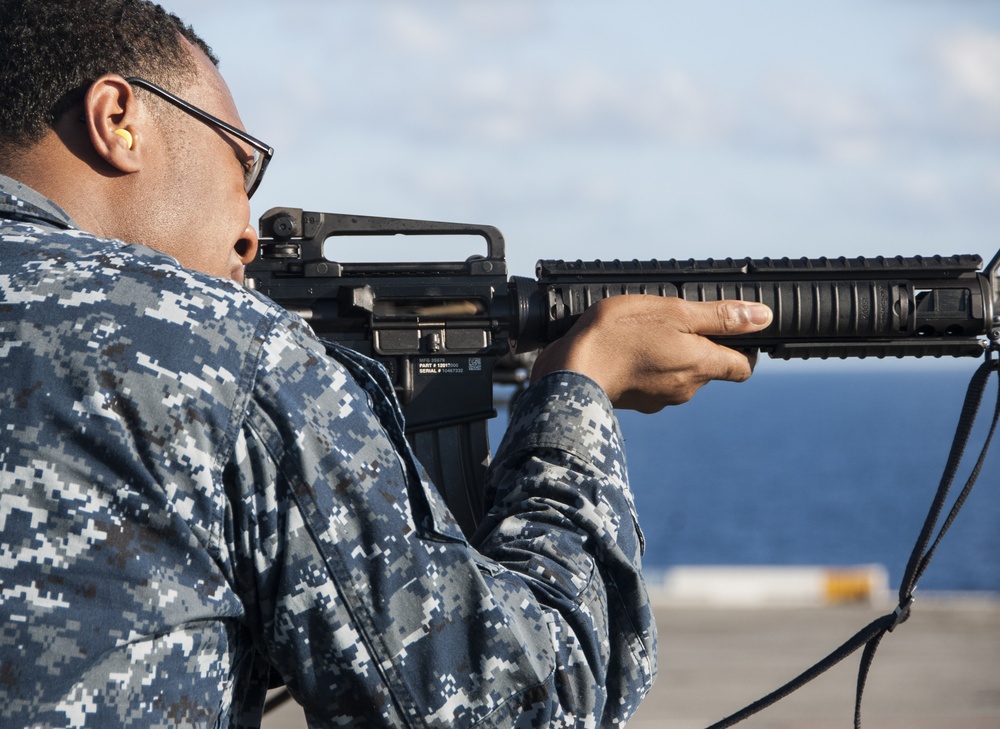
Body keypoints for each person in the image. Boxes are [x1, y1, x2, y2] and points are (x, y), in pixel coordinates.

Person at [0, 1, 772, 727]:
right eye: (244, 163)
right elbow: (519, 698)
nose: (249, 235)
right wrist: (578, 393)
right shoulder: (218, 349)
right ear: (118, 120)